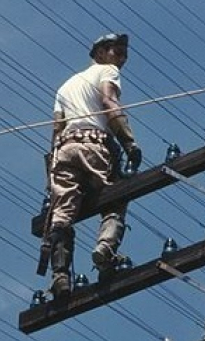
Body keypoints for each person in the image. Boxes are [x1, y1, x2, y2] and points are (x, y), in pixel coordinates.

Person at [41, 33, 142, 298]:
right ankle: (105, 249)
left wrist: (50, 177)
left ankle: (60, 276)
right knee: (116, 196)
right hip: (93, 144)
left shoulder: (64, 87)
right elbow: (109, 101)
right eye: (116, 52)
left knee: (61, 213)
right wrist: (129, 142)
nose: (121, 58)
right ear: (99, 54)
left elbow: (56, 129)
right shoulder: (107, 71)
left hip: (64, 150)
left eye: (123, 54)